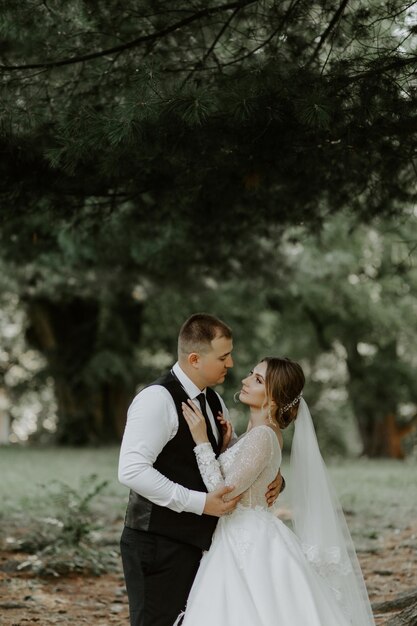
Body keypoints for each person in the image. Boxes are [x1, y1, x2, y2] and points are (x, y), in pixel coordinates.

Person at [176, 356, 376, 626]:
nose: (246, 381)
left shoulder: (262, 436)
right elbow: (247, 476)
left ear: (272, 399)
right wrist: (228, 445)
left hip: (245, 539)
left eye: (258, 380)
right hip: (242, 533)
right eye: (251, 374)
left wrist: (201, 441)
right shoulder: (259, 434)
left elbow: (221, 494)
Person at [118, 314, 283, 626]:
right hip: (159, 542)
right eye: (223, 356)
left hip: (206, 546)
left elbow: (237, 460)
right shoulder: (157, 400)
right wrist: (201, 503)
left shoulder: (215, 400)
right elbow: (131, 470)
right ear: (194, 359)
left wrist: (274, 479)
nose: (231, 364)